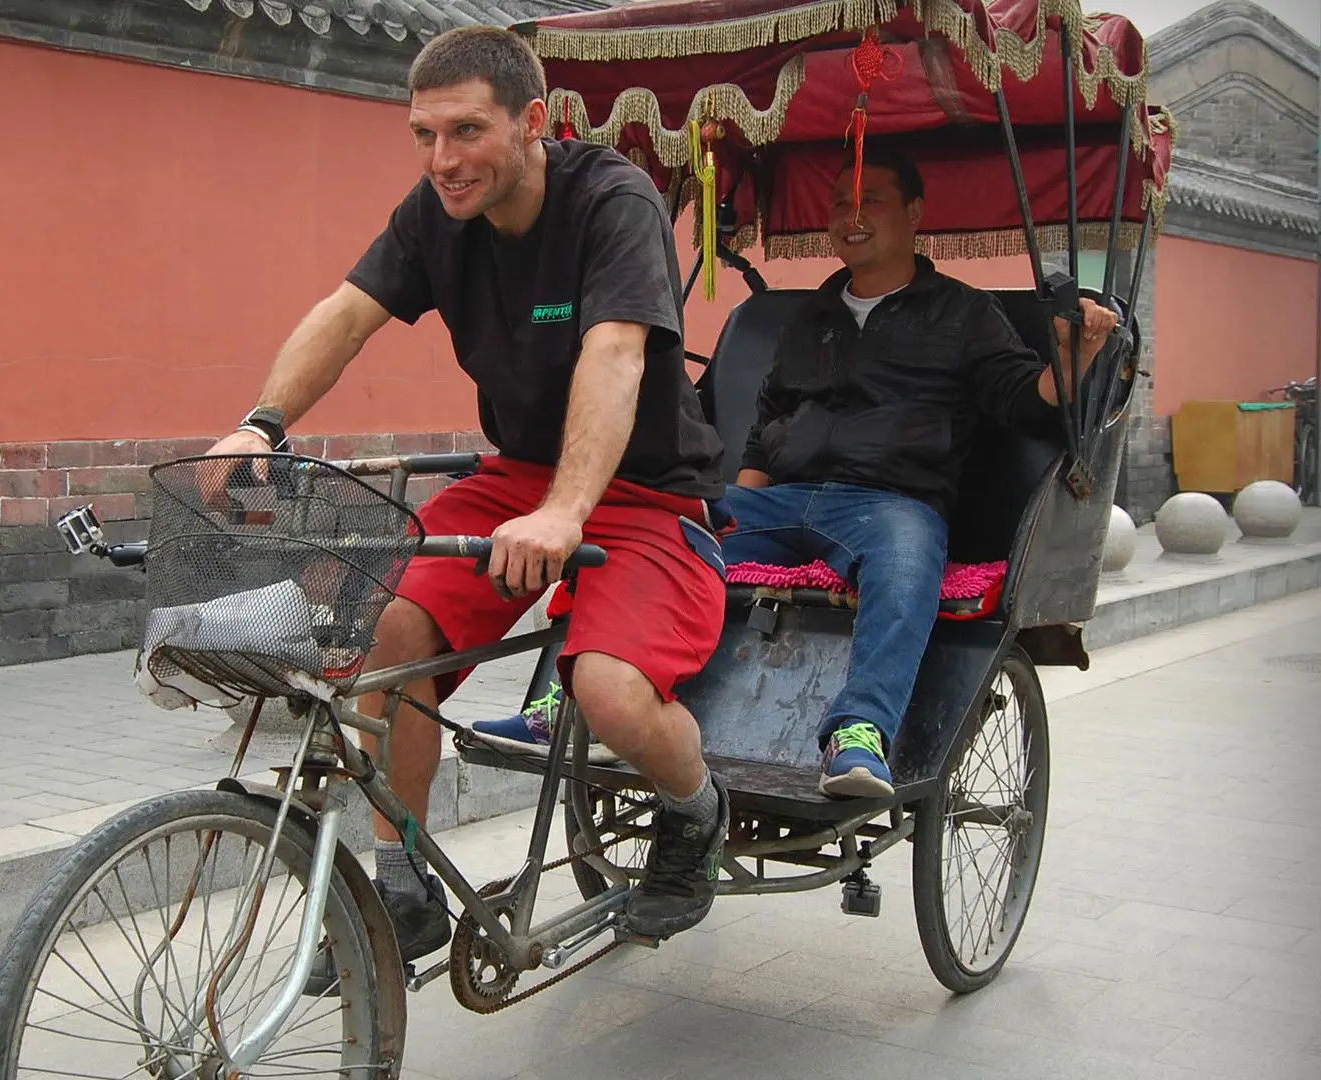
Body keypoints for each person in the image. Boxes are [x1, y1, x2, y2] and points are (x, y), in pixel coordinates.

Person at [204, 25, 733, 963]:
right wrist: (261, 422)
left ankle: (696, 811)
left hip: (646, 494)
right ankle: (402, 883)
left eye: (466, 132)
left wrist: (567, 511)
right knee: (386, 634)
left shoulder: (612, 199)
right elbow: (347, 314)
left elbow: (615, 354)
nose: (443, 160)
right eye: (423, 135)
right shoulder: (436, 212)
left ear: (533, 122)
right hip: (515, 482)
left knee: (609, 694)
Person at [475, 144, 1121, 801]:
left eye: (870, 201)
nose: (851, 215)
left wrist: (1076, 354)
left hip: (891, 505)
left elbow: (1025, 399)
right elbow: (767, 424)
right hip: (782, 500)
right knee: (654, 529)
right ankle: (571, 695)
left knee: (905, 560)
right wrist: (720, 513)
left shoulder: (964, 313)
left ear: (915, 213)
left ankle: (861, 730)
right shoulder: (811, 316)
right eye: (841, 202)